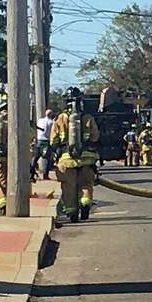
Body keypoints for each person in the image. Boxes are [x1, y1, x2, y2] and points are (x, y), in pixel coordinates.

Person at [51, 87, 100, 223]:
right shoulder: (88, 118)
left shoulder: (60, 118)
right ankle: (85, 203)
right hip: (87, 159)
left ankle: (72, 212)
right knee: (86, 184)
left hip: (67, 160)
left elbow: (53, 140)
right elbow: (95, 137)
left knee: (69, 187)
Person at [33, 108, 55, 180]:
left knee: (36, 158)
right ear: (51, 115)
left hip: (39, 141)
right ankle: (45, 175)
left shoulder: (40, 120)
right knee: (48, 159)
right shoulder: (51, 122)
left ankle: (32, 173)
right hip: (46, 141)